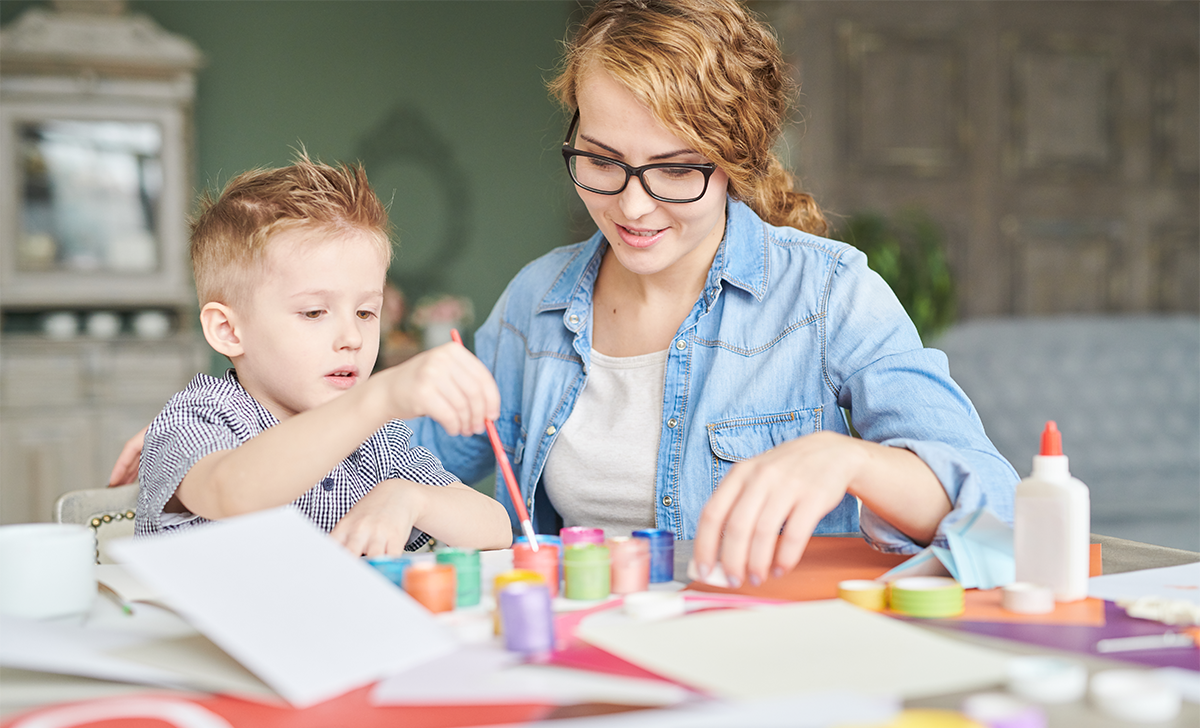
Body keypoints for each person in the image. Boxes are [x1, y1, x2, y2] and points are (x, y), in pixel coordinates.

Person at [116, 0, 1018, 588]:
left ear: (736, 159)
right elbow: (393, 446)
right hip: (575, 650)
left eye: (674, 171)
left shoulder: (828, 295)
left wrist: (851, 462)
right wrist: (238, 417)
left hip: (764, 652)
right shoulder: (540, 299)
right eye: (601, 159)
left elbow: (1003, 514)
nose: (629, 204)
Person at [134, 153, 511, 557]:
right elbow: (232, 492)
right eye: (314, 312)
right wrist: (380, 397)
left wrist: (407, 497)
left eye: (366, 312)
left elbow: (496, 528)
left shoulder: (377, 441)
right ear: (228, 331)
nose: (352, 337)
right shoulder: (195, 418)